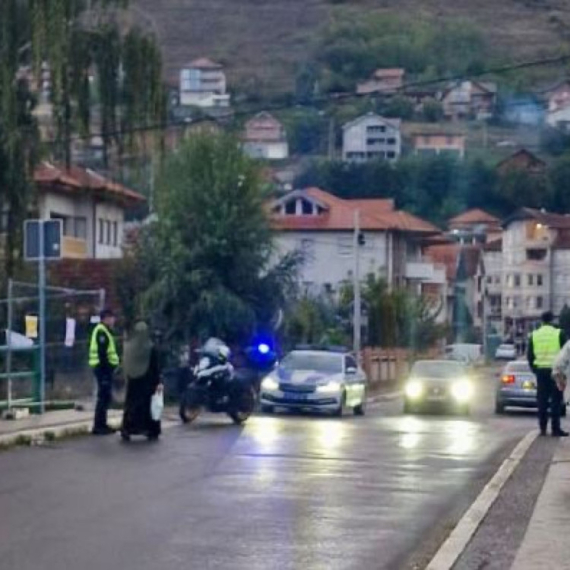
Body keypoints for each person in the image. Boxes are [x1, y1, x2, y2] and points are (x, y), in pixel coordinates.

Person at [120, 321, 163, 441]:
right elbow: (155, 366)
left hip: (133, 381)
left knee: (131, 406)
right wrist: (158, 381)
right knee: (149, 406)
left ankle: (127, 428)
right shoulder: (150, 347)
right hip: (147, 381)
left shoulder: (129, 346)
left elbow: (126, 363)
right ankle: (150, 430)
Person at [527, 311, 568, 437]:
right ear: (552, 320)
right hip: (556, 371)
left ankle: (543, 428)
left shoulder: (534, 335)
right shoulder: (559, 333)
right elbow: (566, 353)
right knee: (556, 400)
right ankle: (556, 429)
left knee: (542, 401)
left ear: (541, 320)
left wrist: (535, 369)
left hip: (541, 371)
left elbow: (530, 355)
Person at [89, 309, 120, 435]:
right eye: (111, 317)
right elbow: (102, 354)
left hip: (105, 369)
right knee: (103, 397)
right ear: (105, 318)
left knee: (105, 397)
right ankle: (99, 425)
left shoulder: (105, 331)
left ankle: (102, 424)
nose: (113, 320)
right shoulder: (101, 331)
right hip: (103, 369)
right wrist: (106, 373)